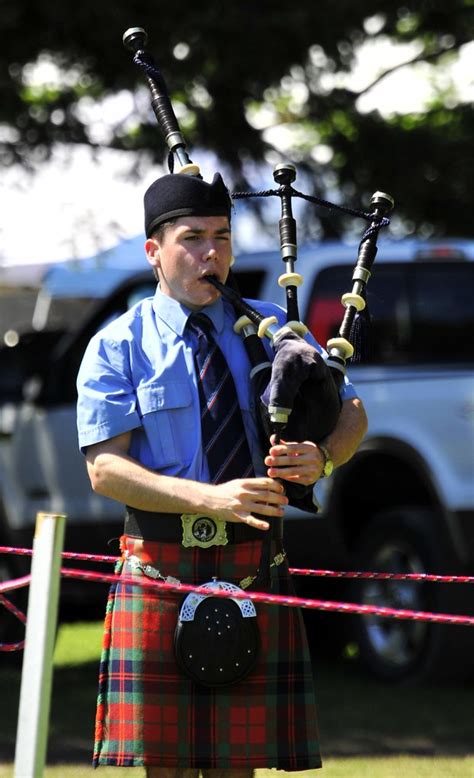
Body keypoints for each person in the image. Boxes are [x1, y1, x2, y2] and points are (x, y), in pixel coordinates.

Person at [76, 171, 368, 777]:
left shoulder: (273, 331)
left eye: (223, 236)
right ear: (154, 252)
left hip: (254, 560)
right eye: (193, 238)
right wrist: (211, 498)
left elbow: (352, 410)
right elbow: (105, 470)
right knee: (167, 765)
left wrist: (325, 456)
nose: (213, 253)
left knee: (240, 765)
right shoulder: (118, 346)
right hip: (160, 566)